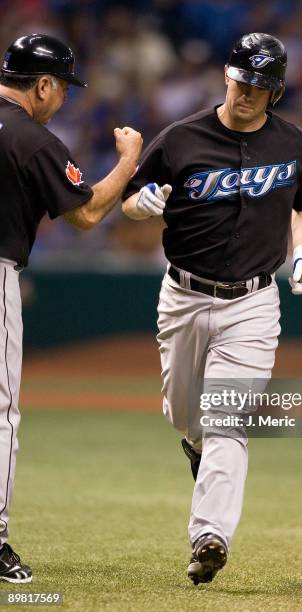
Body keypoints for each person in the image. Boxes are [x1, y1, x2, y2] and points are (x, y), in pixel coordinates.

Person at [122, 32, 302, 585]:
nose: (246, 93)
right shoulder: (181, 139)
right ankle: (194, 444)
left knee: (227, 420)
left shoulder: (298, 145)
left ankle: (209, 535)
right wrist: (141, 205)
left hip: (254, 303)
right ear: (225, 76)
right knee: (187, 415)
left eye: (259, 86)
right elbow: (130, 197)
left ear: (275, 91)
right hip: (184, 296)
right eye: (240, 80)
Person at [0, 34, 142, 583]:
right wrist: (128, 161)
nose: (62, 99)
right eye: (60, 89)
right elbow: (85, 215)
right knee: (3, 413)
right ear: (41, 85)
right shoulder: (31, 138)